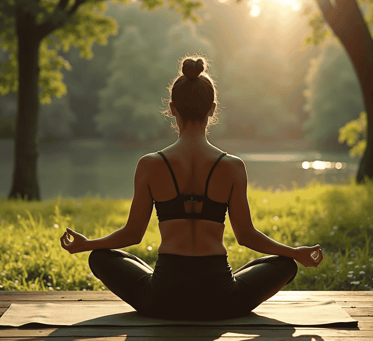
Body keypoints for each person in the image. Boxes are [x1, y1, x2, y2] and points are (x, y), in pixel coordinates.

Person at [60, 56, 323, 321]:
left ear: (173, 108)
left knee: (100, 258)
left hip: (161, 299)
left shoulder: (150, 165)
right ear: (212, 109)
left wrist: (88, 244)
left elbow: (133, 233)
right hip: (222, 300)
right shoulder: (232, 167)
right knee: (284, 265)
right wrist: (295, 253)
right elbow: (246, 235)